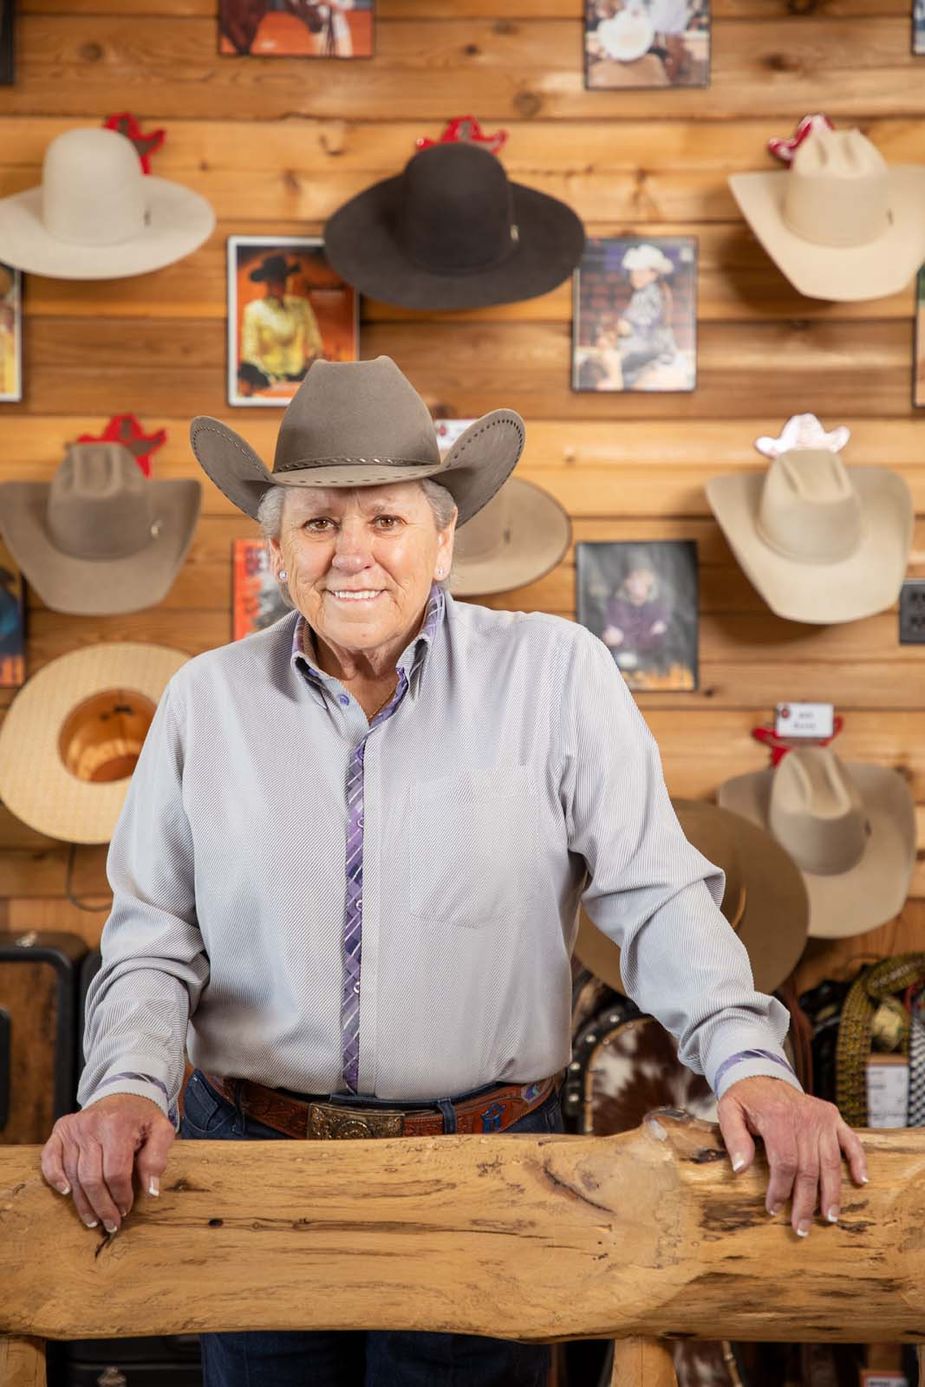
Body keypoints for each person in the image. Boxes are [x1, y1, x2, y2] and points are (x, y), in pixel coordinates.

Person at [42, 357, 866, 1387]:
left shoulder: (557, 674)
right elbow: (154, 937)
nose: (352, 554)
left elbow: (654, 897)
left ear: (444, 541)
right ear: (276, 547)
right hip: (250, 1164)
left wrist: (753, 1066)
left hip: (483, 1167)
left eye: (385, 520)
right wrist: (124, 1085)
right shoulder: (205, 702)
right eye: (319, 523)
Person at [239, 252, 323, 387]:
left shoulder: (301, 307)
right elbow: (249, 354)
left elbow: (315, 342)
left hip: (300, 377)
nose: (280, 284)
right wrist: (267, 378)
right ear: (267, 282)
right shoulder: (254, 310)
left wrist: (313, 361)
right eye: (275, 280)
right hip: (268, 379)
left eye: (283, 278)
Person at [617, 241, 679, 387]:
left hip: (652, 354)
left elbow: (641, 325)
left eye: (641, 271)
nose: (635, 275)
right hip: (654, 351)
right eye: (633, 271)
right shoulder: (652, 292)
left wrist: (626, 328)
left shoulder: (648, 293)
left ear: (654, 274)